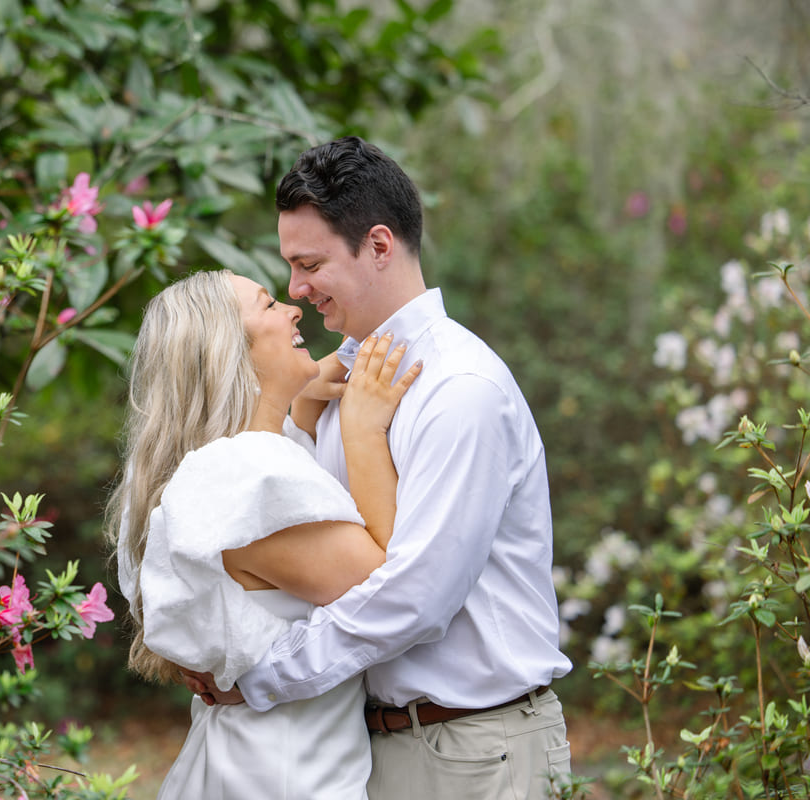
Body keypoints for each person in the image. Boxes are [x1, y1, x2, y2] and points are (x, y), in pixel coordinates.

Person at [189, 136, 574, 800]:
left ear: (378, 246)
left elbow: (412, 599)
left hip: (478, 753)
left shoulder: (460, 389)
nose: (295, 288)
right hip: (371, 752)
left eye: (309, 263)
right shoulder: (338, 383)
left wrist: (257, 677)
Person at [108, 268, 421, 799]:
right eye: (269, 304)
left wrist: (298, 400)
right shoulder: (245, 478)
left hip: (247, 759)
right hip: (288, 773)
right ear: (231, 349)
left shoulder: (209, 473)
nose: (294, 309)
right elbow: (391, 584)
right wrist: (363, 430)